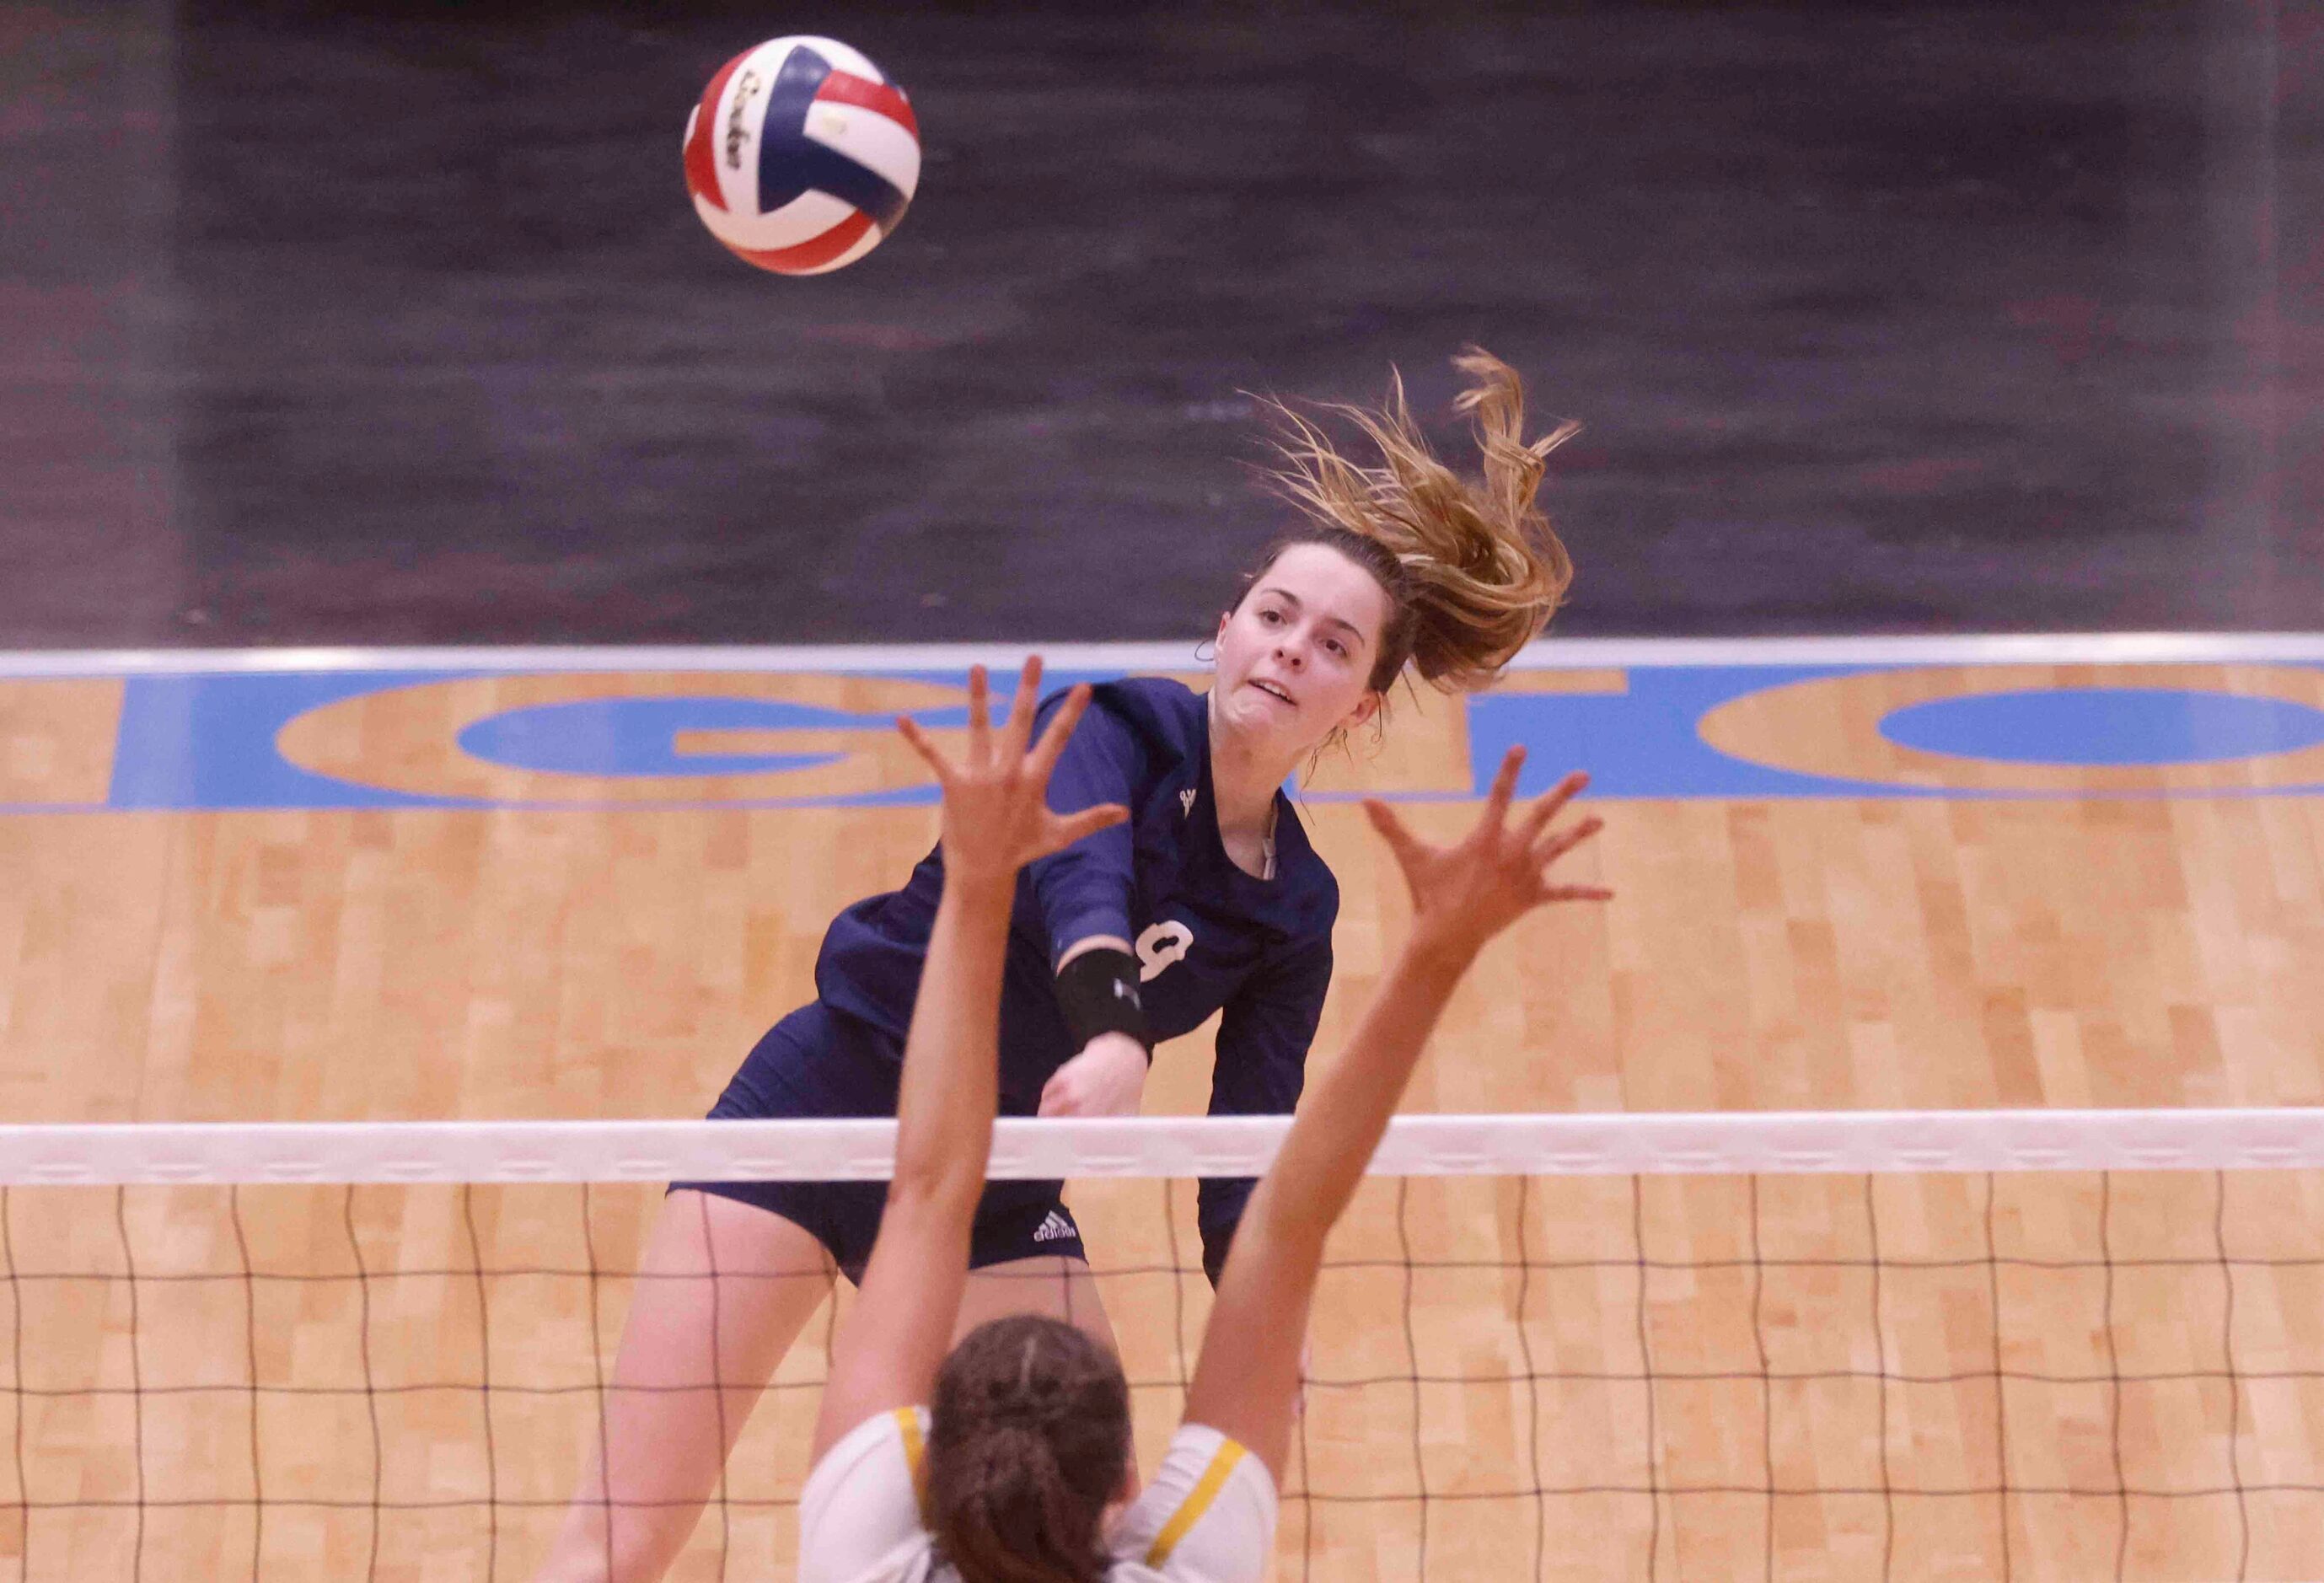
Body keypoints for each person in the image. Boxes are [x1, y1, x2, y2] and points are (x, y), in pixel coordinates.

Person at [536, 350, 1582, 1581]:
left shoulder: (1293, 905)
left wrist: (1259, 1306)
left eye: (1335, 644)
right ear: (1224, 626)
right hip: (810, 1114)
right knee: (618, 1546)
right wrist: (1116, 1035)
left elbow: (1255, 1140)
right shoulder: (1108, 726)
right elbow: (1075, 881)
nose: (1292, 650)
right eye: (1274, 615)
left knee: (1098, 1525)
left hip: (986, 1186)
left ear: (1358, 703)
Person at [796, 656, 1610, 1581]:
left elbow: (928, 1189)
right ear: (1124, 1494)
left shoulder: (858, 1558)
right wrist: (1436, 955)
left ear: (923, 1469)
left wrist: (977, 885)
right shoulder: (1185, 1569)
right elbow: (1288, 1225)